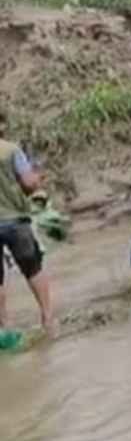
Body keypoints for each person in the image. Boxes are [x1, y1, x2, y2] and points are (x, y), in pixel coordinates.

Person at [0, 111, 54, 333]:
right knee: (33, 269)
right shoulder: (11, 150)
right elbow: (29, 184)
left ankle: (4, 326)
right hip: (14, 221)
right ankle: (48, 319)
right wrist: (37, 177)